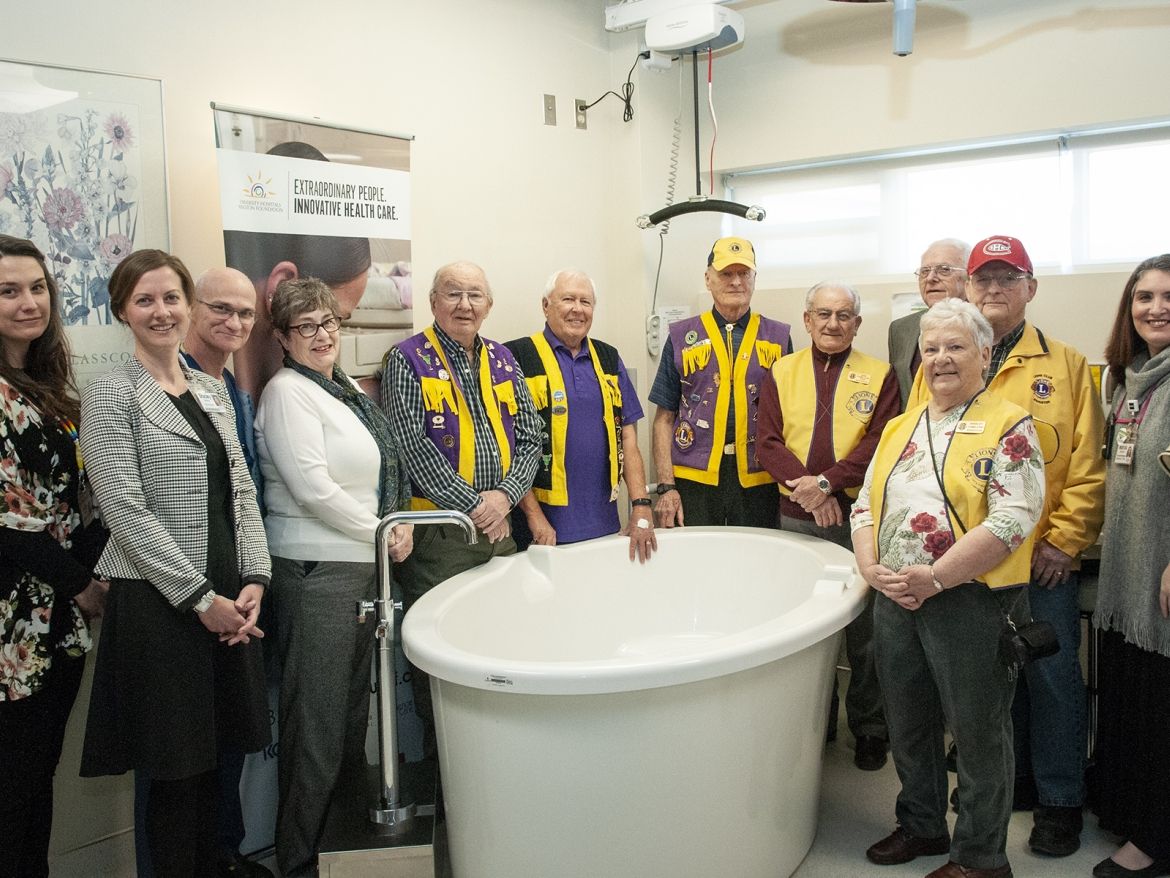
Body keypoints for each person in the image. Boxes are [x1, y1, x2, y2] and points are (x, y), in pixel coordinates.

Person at [911, 234, 1106, 856]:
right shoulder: (942, 358)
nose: (993, 289)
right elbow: (919, 451)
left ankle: (1059, 800)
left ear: (1031, 286)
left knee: (1050, 680)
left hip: (1040, 561)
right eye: (983, 279)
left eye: (1008, 277)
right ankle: (1013, 782)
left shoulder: (1068, 366)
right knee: (989, 684)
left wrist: (1064, 540)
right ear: (967, 289)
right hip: (968, 566)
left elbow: (1086, 463)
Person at [78, 249, 270, 878]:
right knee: (173, 773)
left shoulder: (213, 389)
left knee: (217, 763)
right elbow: (123, 510)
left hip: (227, 597)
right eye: (145, 300)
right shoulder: (110, 392)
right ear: (122, 311)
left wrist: (252, 581)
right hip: (161, 604)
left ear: (186, 305)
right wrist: (199, 599)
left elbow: (241, 491)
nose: (160, 311)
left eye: (170, 298)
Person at [854, 299, 1045, 878]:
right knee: (908, 721)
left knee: (979, 730)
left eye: (955, 346)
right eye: (930, 348)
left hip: (969, 600)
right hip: (895, 597)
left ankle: (981, 857)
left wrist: (936, 577)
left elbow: (1014, 515)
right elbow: (865, 505)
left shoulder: (1011, 421)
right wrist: (870, 568)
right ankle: (922, 825)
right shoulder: (898, 426)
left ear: (984, 353)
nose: (939, 358)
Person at [254, 277, 414, 878]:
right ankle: (298, 864)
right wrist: (384, 527)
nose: (322, 336)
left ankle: (335, 858)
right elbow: (312, 488)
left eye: (329, 323)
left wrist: (389, 529)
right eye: (306, 327)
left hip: (359, 566)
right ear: (281, 337)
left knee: (348, 727)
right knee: (314, 733)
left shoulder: (338, 387)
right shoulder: (287, 393)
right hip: (318, 570)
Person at [381, 261, 541, 753]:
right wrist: (475, 506)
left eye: (475, 295)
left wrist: (506, 497)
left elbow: (532, 437)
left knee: (502, 644)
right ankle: (449, 772)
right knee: (448, 656)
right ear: (433, 302)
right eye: (453, 294)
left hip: (500, 530)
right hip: (440, 535)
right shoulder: (406, 359)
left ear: (489, 305)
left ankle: (498, 755)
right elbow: (409, 445)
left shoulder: (504, 359)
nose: (464, 305)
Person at [757, 281, 900, 770]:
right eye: (823, 314)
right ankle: (818, 723)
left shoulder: (881, 376)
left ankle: (870, 729)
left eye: (843, 316)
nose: (833, 324)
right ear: (807, 319)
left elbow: (881, 443)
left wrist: (828, 486)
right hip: (794, 520)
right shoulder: (781, 370)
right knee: (806, 628)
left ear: (857, 324)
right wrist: (810, 492)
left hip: (856, 521)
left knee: (866, 634)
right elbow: (768, 444)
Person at [0, 235, 109, 878]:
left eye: (37, 287)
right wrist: (85, 588)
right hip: (17, 625)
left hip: (55, 623)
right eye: (9, 291)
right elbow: (10, 523)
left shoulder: (43, 384)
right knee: (13, 798)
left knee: (32, 788)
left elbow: (75, 506)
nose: (28, 302)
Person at [1091, 255, 1170, 878]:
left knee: (1161, 709)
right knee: (1130, 695)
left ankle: (1156, 838)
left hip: (1163, 578)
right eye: (1143, 296)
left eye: (1169, 296)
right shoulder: (1125, 380)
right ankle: (1127, 809)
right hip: (1126, 572)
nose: (1155, 307)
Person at [505, 269, 656, 561]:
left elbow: (628, 438)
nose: (577, 309)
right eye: (568, 299)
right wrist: (534, 517)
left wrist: (640, 505)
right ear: (546, 305)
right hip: (541, 528)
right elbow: (508, 449)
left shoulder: (609, 357)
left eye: (586, 302)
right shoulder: (515, 357)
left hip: (605, 524)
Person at [649, 237, 791, 528]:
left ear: (754, 279)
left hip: (759, 478)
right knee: (696, 560)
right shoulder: (680, 336)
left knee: (755, 559)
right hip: (694, 478)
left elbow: (791, 419)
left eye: (744, 273)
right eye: (726, 273)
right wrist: (666, 485)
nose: (736, 282)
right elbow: (664, 419)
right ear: (708, 278)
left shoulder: (777, 336)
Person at [224, 142, 373, 399]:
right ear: (283, 287)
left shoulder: (247, 390)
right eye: (334, 317)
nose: (331, 335)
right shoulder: (281, 394)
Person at [889, 239, 970, 409]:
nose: (931, 278)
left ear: (968, 277)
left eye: (944, 270)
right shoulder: (900, 330)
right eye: (925, 271)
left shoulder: (982, 327)